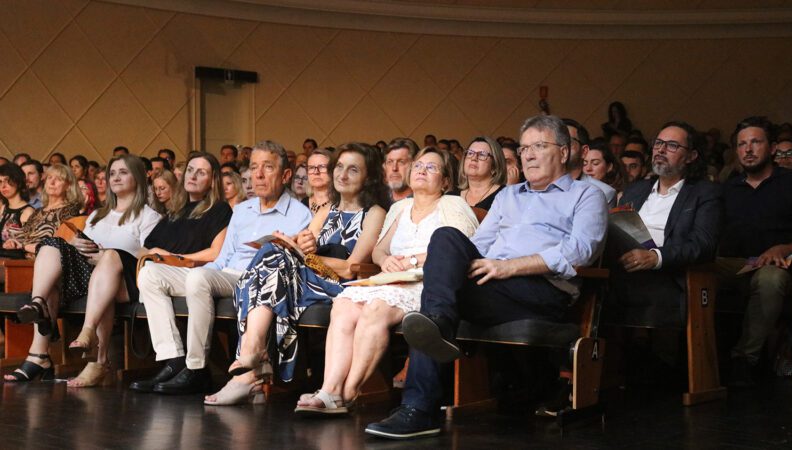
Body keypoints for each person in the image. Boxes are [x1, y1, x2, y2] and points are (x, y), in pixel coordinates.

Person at [364, 115, 607, 439]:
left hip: (542, 289)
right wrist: (458, 262)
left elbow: (581, 251)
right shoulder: (509, 196)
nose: (529, 155)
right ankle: (435, 331)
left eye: (539, 146)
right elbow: (476, 247)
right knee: (446, 238)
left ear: (563, 153)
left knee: (434, 304)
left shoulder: (585, 195)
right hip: (492, 284)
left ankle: (420, 408)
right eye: (524, 149)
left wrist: (510, 266)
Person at [293, 147, 478, 414]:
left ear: (446, 181)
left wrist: (413, 260)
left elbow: (460, 249)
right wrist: (384, 260)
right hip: (392, 277)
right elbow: (380, 249)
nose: (422, 171)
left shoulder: (453, 204)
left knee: (375, 309)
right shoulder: (401, 207)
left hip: (429, 283)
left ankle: (347, 393)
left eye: (432, 168)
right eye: (418, 166)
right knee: (343, 305)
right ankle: (329, 388)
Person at [205, 143, 389, 405]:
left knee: (270, 268)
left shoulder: (374, 213)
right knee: (271, 256)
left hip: (343, 285)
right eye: (339, 167)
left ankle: (250, 360)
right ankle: (252, 354)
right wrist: (294, 243)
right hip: (306, 279)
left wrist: (307, 254)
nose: (342, 175)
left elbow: (352, 267)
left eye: (353, 169)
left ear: (368, 177)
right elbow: (303, 247)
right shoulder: (326, 210)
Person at [133, 140, 312, 395]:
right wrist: (204, 270)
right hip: (226, 275)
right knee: (150, 273)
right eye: (253, 167)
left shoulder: (299, 214)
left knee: (198, 278)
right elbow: (224, 257)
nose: (258, 175)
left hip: (258, 281)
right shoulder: (241, 210)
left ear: (285, 175)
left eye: (268, 168)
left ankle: (196, 368)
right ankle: (173, 359)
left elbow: (293, 266)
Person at [67, 153, 232, 388]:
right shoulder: (176, 210)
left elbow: (215, 253)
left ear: (213, 180)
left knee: (125, 264)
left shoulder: (220, 209)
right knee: (123, 265)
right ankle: (171, 360)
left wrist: (171, 257)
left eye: (201, 172)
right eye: (190, 170)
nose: (192, 176)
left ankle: (94, 344)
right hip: (156, 273)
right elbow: (146, 249)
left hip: (189, 272)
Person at [4, 156, 161, 383]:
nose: (115, 177)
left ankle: (93, 358)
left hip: (126, 279)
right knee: (52, 245)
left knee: (107, 263)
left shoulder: (149, 216)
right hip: (90, 275)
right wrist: (76, 245)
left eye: (123, 172)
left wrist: (106, 255)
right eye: (113, 173)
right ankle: (38, 314)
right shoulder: (98, 215)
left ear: (137, 178)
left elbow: (147, 255)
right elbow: (81, 247)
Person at [609, 121, 722, 328]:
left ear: (691, 156)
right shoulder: (636, 190)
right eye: (658, 143)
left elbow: (703, 244)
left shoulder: (704, 193)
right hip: (622, 271)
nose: (660, 150)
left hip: (668, 276)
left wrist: (656, 257)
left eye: (671, 145)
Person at [715, 117, 792, 388]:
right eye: (742, 144)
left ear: (773, 148)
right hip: (734, 262)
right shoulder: (729, 188)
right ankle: (690, 359)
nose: (748, 149)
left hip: (778, 261)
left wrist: (785, 248)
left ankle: (744, 359)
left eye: (755, 142)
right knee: (692, 270)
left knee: (769, 280)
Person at [2, 164, 82, 256]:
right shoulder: (38, 211)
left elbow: (61, 245)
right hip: (24, 260)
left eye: (59, 179)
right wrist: (12, 242)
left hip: (47, 263)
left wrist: (23, 246)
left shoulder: (70, 210)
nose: (52, 182)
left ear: (68, 186)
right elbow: (24, 237)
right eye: (49, 178)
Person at [563, 119, 617, 206]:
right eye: (555, 142)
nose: (561, 147)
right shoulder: (536, 184)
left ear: (584, 151)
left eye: (569, 141)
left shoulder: (603, 192)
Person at [457, 137, 506, 210]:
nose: (473, 158)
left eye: (482, 154)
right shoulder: (452, 197)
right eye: (470, 153)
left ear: (495, 165)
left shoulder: (505, 196)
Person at [0, 164, 35, 248]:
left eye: (7, 180)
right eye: (0, 182)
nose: (3, 186)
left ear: (18, 182)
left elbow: (31, 245)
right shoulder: (3, 208)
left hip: (17, 259)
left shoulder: (28, 212)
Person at [384, 138, 419, 203]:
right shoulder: (377, 199)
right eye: (390, 162)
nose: (394, 168)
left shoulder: (423, 203)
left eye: (401, 162)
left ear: (415, 166)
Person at [302, 149, 332, 214]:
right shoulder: (302, 204)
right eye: (311, 168)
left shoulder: (341, 203)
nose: (316, 172)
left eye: (322, 167)